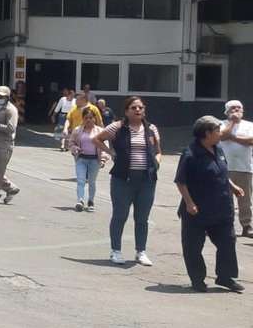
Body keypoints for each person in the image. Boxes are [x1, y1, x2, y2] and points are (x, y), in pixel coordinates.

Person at [175, 115, 245, 293]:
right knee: (193, 246)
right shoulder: (190, 154)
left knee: (228, 241)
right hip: (197, 210)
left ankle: (225, 277)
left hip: (221, 207)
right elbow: (181, 182)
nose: (220, 133)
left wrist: (233, 187)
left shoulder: (218, 149)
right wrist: (189, 203)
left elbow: (221, 172)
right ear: (207, 133)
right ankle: (197, 279)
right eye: (217, 130)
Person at [93, 96, 163, 266]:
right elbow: (96, 139)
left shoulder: (151, 128)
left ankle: (141, 251)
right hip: (123, 179)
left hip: (146, 180)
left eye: (140, 107)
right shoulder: (117, 127)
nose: (138, 110)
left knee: (142, 217)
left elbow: (158, 151)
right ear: (126, 111)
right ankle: (115, 251)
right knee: (120, 215)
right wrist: (111, 153)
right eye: (133, 108)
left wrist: (157, 163)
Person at [219, 100, 253, 238]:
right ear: (227, 111)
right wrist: (232, 123)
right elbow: (222, 136)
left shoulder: (249, 125)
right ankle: (225, 225)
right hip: (225, 167)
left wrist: (232, 137)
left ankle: (247, 226)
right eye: (233, 108)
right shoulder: (221, 124)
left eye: (239, 107)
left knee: (246, 200)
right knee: (224, 198)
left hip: (245, 167)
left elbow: (250, 140)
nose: (237, 110)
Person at [68, 108, 105, 212]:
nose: (88, 120)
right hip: (81, 159)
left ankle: (91, 201)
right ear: (83, 119)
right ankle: (80, 200)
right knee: (81, 180)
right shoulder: (77, 130)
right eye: (86, 118)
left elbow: (104, 146)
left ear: (94, 118)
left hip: (95, 160)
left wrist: (103, 159)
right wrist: (75, 148)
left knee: (92, 182)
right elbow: (71, 143)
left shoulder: (100, 131)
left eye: (91, 118)